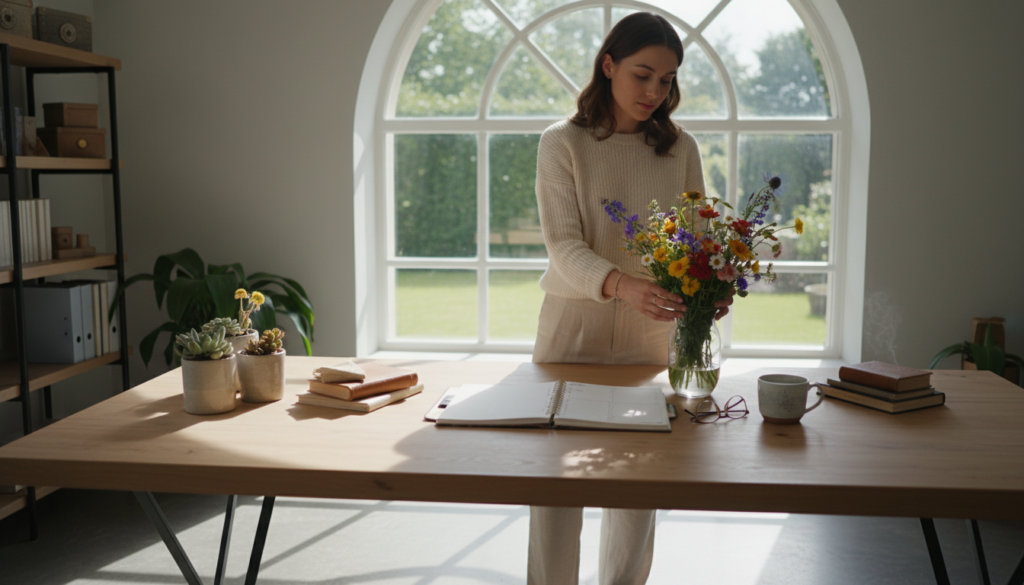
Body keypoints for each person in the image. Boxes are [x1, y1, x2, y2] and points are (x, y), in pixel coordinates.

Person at [529, 12, 732, 585]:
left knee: (637, 488)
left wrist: (709, 287)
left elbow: (697, 237)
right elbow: (563, 244)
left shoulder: (679, 147)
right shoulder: (561, 143)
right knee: (554, 492)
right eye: (643, 75)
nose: (654, 92)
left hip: (653, 336)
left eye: (666, 81)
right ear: (608, 64)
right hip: (571, 332)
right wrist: (622, 284)